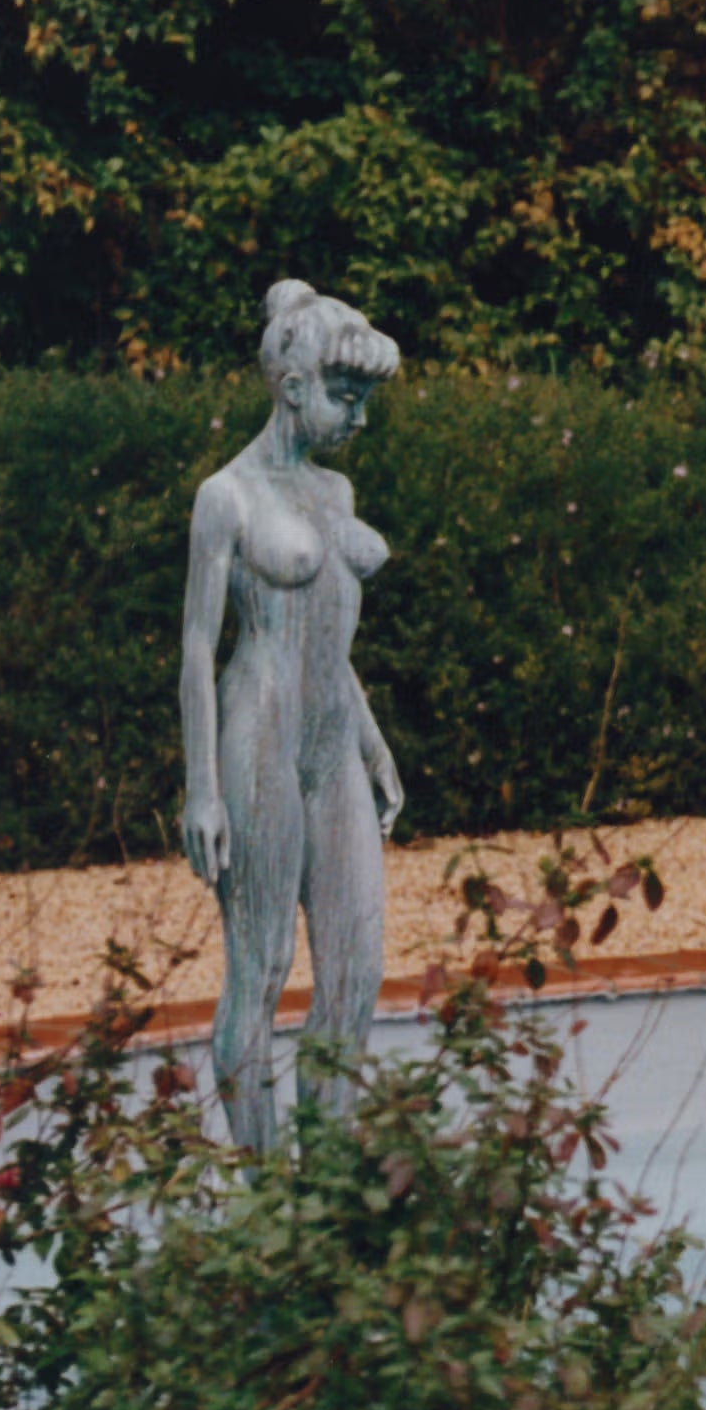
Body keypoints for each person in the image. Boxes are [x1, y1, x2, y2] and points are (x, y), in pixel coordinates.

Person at [179, 280, 408, 1152]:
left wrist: (372, 739)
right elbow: (200, 646)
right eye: (346, 397)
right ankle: (266, 1195)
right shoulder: (225, 497)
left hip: (330, 743)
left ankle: (330, 1194)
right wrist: (202, 787)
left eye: (363, 400)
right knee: (262, 967)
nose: (357, 418)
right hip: (260, 737)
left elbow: (329, 641)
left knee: (355, 973)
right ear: (293, 386)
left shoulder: (335, 494)